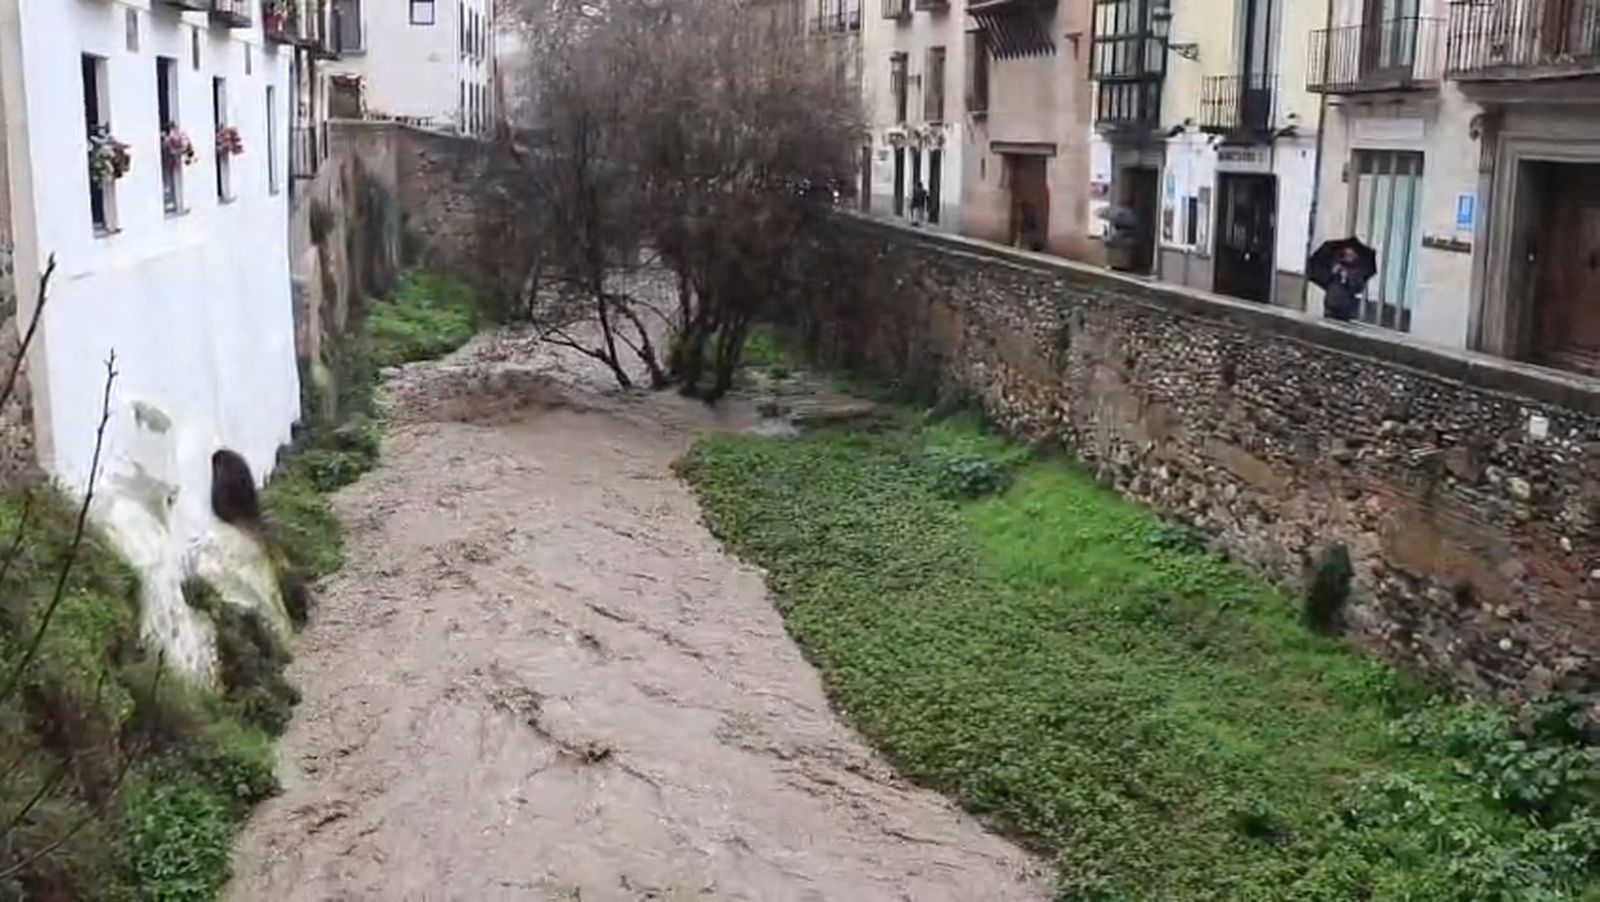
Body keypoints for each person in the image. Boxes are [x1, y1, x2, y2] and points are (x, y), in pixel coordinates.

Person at [1324, 246, 1370, 322]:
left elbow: (1359, 288)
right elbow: (1325, 280)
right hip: (1331, 304)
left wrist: (1347, 279)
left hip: (1345, 307)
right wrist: (1333, 273)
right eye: (1346, 255)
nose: (1348, 258)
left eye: (1350, 255)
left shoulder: (1357, 271)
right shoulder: (1336, 265)